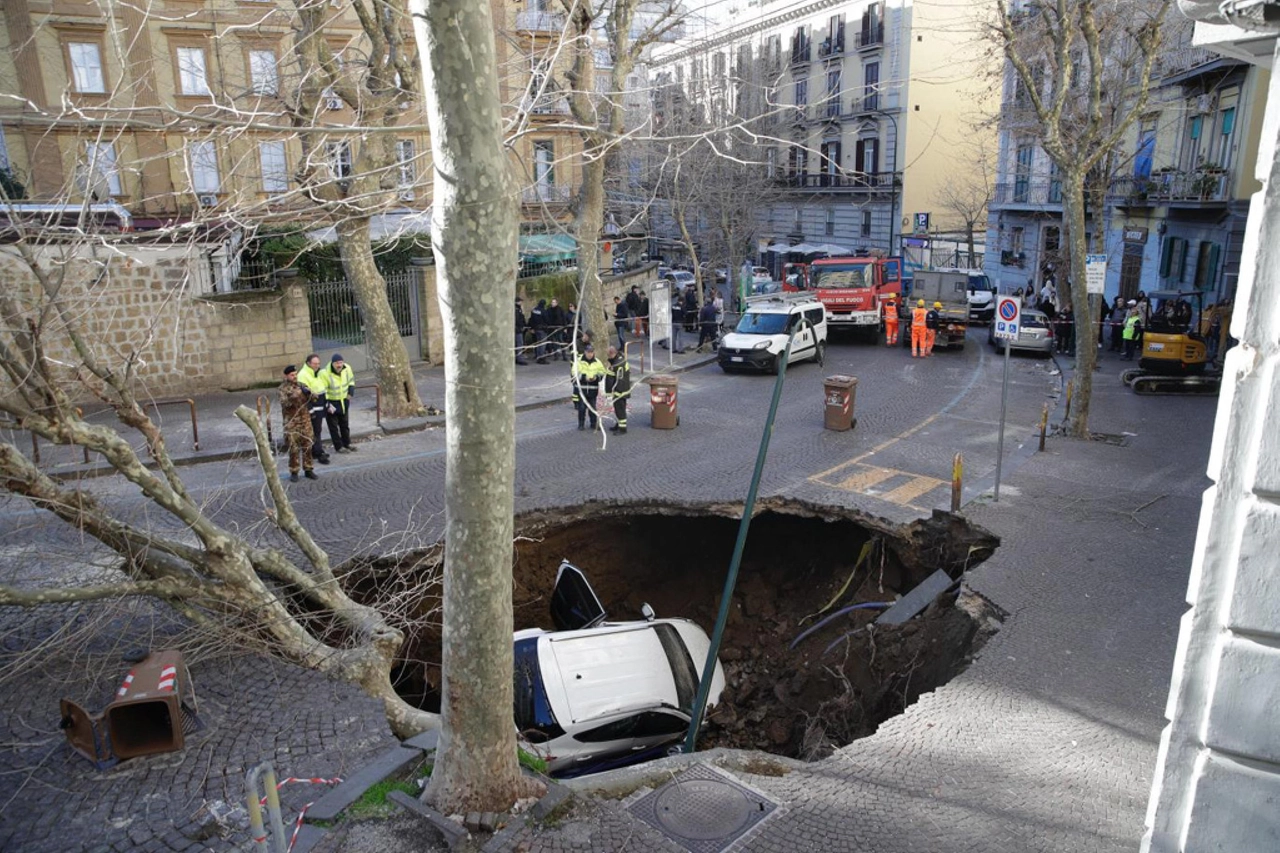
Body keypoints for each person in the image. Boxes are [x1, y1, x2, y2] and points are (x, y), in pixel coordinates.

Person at [279, 365, 318, 482]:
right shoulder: (283, 389)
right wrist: (295, 395)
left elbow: (315, 398)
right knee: (293, 448)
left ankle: (308, 469)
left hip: (305, 421)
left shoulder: (302, 385)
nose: (294, 377)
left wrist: (310, 393)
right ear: (286, 376)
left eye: (296, 374)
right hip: (292, 423)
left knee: (308, 445)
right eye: (292, 375)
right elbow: (285, 403)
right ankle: (294, 470)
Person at [298, 353, 332, 465]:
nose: (317, 365)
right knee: (314, 431)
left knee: (317, 430)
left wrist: (326, 403)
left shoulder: (316, 373)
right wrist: (311, 410)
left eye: (318, 363)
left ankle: (317, 451)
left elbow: (321, 388)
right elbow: (304, 396)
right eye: (315, 363)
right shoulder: (303, 375)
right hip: (314, 408)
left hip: (320, 406)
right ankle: (317, 452)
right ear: (308, 363)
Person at [322, 353, 357, 453]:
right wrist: (327, 404)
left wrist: (350, 393)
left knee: (344, 425)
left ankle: (347, 443)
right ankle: (339, 447)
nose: (339, 365)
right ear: (332, 364)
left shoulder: (347, 368)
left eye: (341, 362)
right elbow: (323, 390)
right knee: (333, 427)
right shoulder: (325, 373)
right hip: (331, 403)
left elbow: (351, 381)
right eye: (337, 363)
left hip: (344, 401)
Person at [570, 343, 606, 431]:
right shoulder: (578, 361)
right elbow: (574, 374)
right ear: (585, 352)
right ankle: (581, 424)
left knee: (593, 408)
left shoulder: (597, 362)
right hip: (582, 389)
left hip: (593, 389)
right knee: (581, 408)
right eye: (588, 352)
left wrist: (596, 378)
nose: (590, 354)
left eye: (591, 352)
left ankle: (593, 424)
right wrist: (584, 377)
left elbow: (602, 373)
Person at [605, 344, 631, 434]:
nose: (608, 357)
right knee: (621, 408)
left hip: (619, 391)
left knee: (619, 409)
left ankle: (622, 429)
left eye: (608, 355)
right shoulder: (622, 360)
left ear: (612, 354)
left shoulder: (615, 365)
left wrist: (608, 394)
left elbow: (609, 381)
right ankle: (619, 424)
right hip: (625, 388)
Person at [530, 298, 549, 363]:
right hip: (542, 329)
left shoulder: (534, 310)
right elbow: (547, 320)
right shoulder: (543, 311)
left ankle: (538, 357)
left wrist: (532, 328)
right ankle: (542, 358)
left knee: (538, 343)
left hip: (536, 329)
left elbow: (531, 319)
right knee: (543, 344)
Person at [514, 298, 529, 365]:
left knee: (518, 344)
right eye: (521, 302)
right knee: (519, 344)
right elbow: (518, 320)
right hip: (518, 330)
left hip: (518, 329)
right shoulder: (517, 310)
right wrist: (521, 326)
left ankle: (517, 358)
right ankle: (519, 359)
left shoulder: (518, 309)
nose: (521, 303)